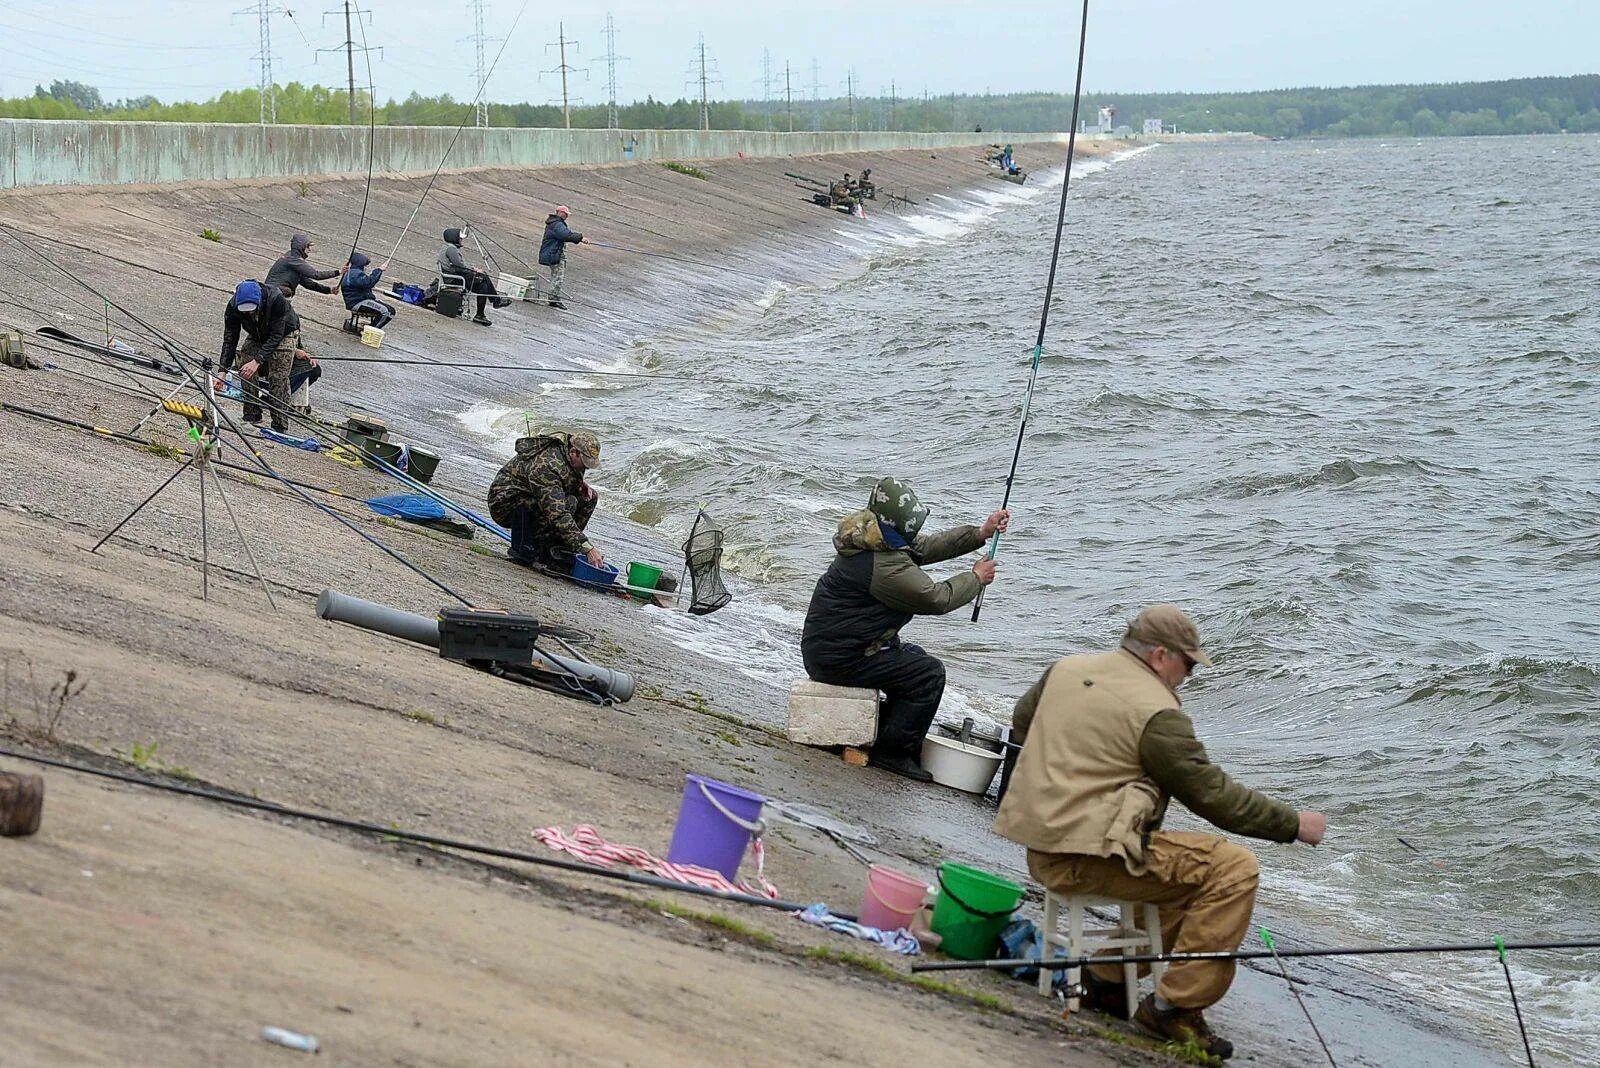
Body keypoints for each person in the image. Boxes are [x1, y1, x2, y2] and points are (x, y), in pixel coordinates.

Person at [993, 605, 1327, 1061]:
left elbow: (1023, 721)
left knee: (1182, 871)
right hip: (1083, 858)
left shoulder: (1068, 669)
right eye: (1187, 665)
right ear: (1159, 655)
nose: (1187, 676)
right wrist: (1294, 824)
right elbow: (1214, 798)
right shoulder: (1157, 712)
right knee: (1232, 867)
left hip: (1041, 845)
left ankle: (1107, 981)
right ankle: (1174, 1007)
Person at [800, 477, 1008, 781]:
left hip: (831, 648)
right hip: (838, 657)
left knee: (912, 658)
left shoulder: (871, 535)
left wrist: (980, 533)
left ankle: (888, 736)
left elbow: (925, 546)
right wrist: (975, 577)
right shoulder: (884, 567)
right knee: (928, 673)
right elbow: (936, 598)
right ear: (891, 525)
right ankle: (893, 754)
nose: (913, 535)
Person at [486, 429, 604, 572]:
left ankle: (559, 550)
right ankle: (528, 549)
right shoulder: (547, 465)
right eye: (584, 464)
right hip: (505, 503)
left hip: (532, 495)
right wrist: (587, 548)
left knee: (590, 498)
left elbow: (564, 477)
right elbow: (557, 514)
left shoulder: (568, 456)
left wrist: (577, 484)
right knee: (568, 503)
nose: (585, 468)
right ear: (573, 452)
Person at [219, 280, 300, 431]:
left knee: (277, 377)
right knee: (245, 368)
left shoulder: (276, 299)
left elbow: (277, 335)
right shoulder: (232, 308)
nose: (248, 313)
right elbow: (230, 339)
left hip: (284, 333)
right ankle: (252, 414)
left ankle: (279, 423)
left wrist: (257, 361)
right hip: (257, 333)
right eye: (244, 311)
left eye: (251, 309)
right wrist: (222, 371)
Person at [437, 227, 510, 326]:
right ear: (454, 238)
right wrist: (474, 270)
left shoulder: (448, 247)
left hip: (455, 276)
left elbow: (459, 265)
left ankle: (480, 315)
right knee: (483, 276)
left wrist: (472, 269)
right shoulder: (451, 249)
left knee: (483, 286)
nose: (461, 240)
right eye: (460, 238)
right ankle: (495, 301)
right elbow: (460, 267)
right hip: (454, 279)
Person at [265, 233, 343, 300]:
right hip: (275, 294)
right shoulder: (294, 259)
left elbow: (307, 283)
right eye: (308, 247)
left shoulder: (293, 259)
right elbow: (316, 275)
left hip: (273, 293)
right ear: (301, 247)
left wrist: (328, 290)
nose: (310, 250)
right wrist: (339, 272)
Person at [538, 206, 584, 310]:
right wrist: (581, 238)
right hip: (554, 254)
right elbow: (565, 235)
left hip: (553, 253)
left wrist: (579, 238)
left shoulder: (554, 223)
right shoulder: (557, 224)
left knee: (556, 276)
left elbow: (566, 235)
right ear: (560, 213)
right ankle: (553, 299)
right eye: (565, 213)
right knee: (558, 276)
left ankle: (553, 297)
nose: (567, 216)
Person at [340, 252, 395, 329]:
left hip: (358, 300)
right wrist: (379, 270)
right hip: (357, 302)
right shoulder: (355, 274)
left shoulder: (353, 272)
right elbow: (369, 283)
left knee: (389, 310)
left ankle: (369, 328)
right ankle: (370, 331)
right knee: (387, 312)